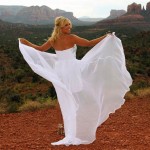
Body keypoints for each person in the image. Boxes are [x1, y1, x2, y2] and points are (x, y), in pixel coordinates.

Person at [19, 16, 132, 146]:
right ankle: (74, 129)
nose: (69, 27)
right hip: (72, 70)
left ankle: (68, 129)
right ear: (60, 27)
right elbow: (89, 43)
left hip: (60, 70)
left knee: (66, 98)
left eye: (69, 25)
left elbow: (39, 49)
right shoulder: (71, 38)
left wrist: (25, 42)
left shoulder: (53, 40)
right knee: (74, 97)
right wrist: (105, 37)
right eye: (66, 25)